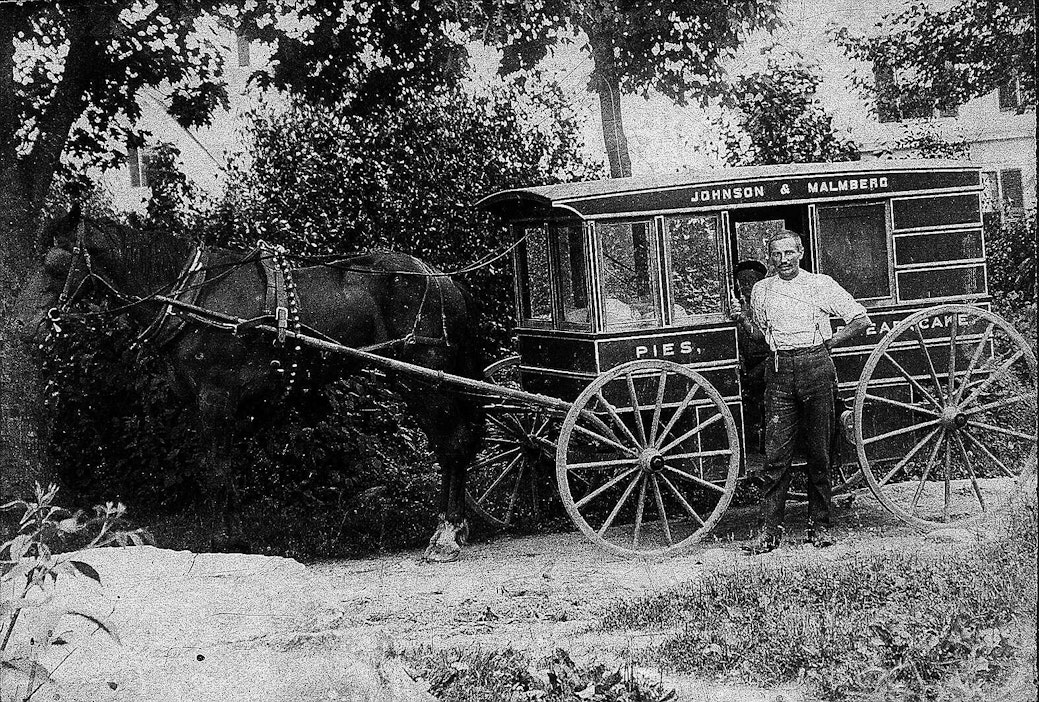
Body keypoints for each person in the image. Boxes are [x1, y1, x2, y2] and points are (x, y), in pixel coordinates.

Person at [742, 230, 871, 554]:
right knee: (776, 457)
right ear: (769, 257)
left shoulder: (820, 284)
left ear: (800, 252)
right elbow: (760, 335)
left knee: (819, 454)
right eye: (776, 254)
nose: (783, 260)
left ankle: (821, 526)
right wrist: (743, 320)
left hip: (816, 368)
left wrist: (830, 343)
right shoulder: (762, 290)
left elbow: (860, 320)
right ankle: (768, 533)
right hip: (780, 371)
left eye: (789, 253)